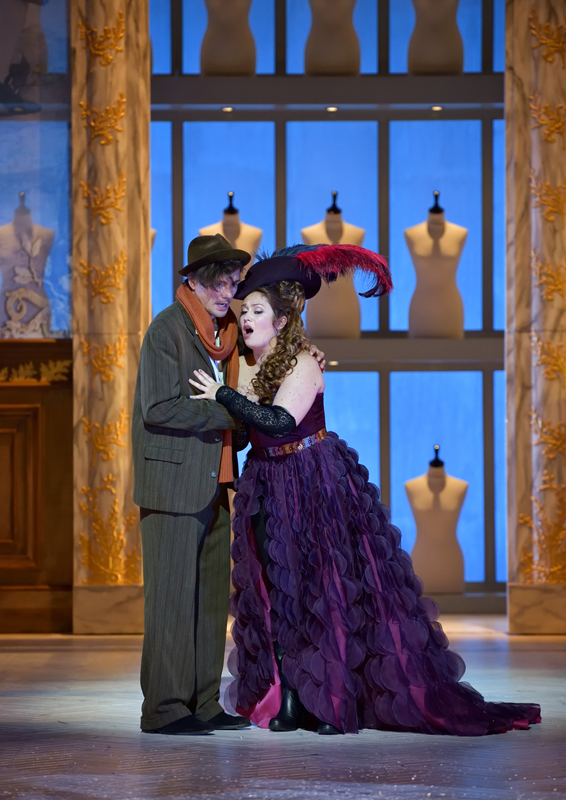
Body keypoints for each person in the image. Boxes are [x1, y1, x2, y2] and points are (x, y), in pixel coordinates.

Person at [189, 243, 542, 737]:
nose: (245, 318)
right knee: (277, 594)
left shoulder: (304, 365)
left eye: (256, 310)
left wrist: (223, 395)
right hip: (268, 484)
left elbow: (280, 420)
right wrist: (232, 395)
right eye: (244, 310)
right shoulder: (256, 368)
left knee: (322, 592)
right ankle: (290, 697)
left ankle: (333, 699)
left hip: (312, 484)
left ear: (283, 320)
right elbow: (252, 430)